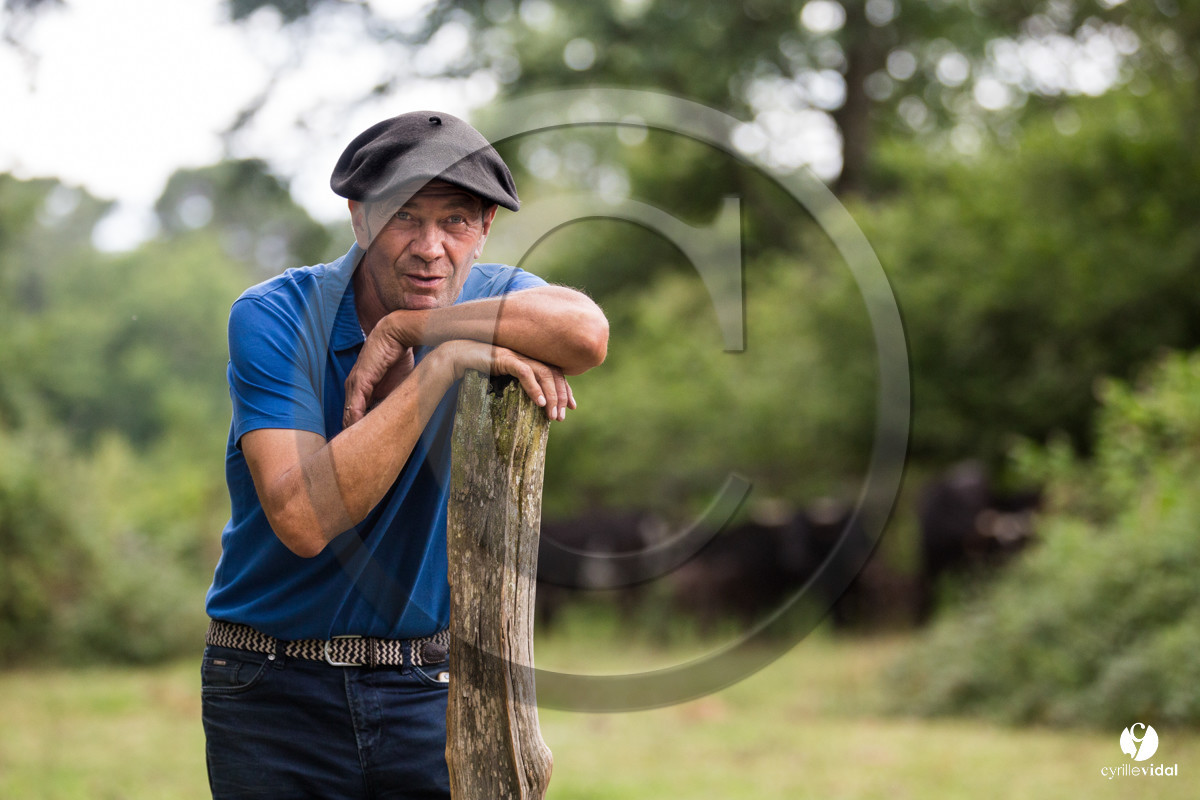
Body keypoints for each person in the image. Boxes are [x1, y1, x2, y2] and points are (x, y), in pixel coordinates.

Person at [200, 110, 608, 799]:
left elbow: (586, 334)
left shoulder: (490, 296)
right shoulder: (276, 316)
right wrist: (440, 363)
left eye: (455, 221)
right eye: (405, 218)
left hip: (429, 686)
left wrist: (415, 327)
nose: (430, 247)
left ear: (484, 230)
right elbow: (303, 517)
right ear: (360, 219)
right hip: (270, 689)